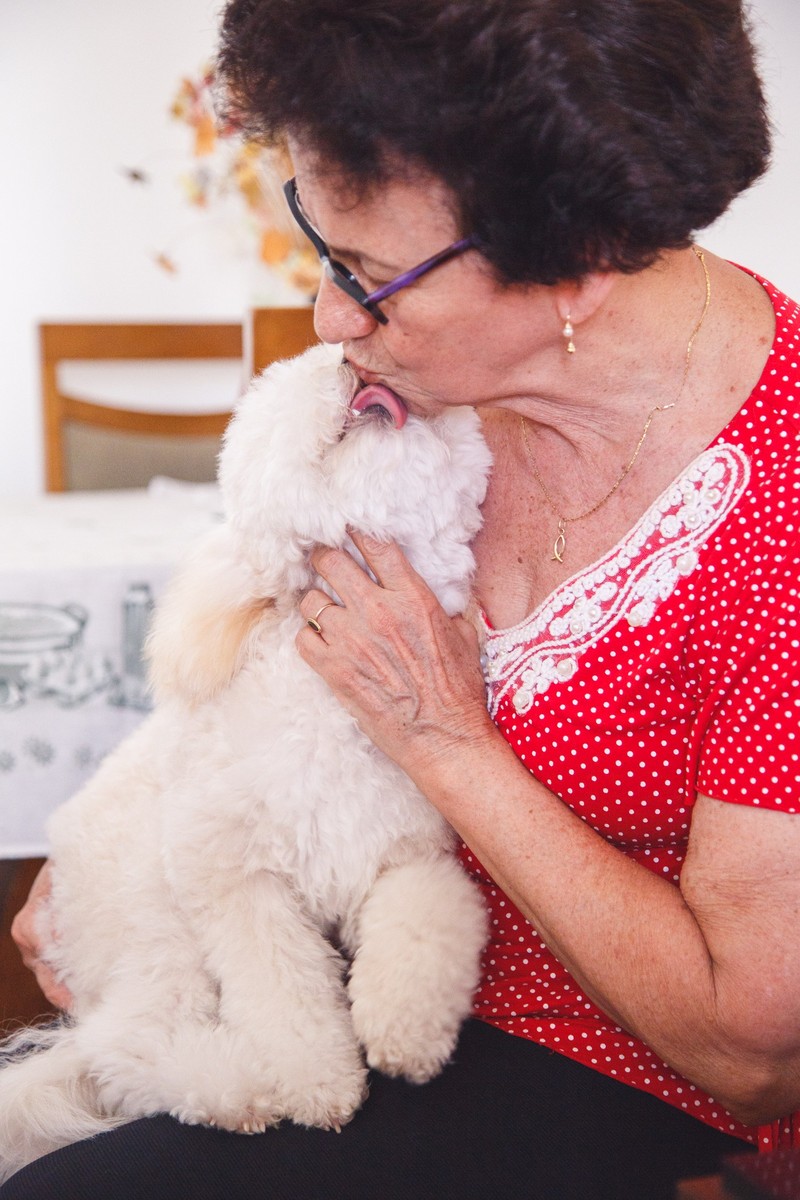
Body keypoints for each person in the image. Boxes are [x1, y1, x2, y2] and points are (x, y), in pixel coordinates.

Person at [6, 0, 800, 1196]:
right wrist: (137, 831)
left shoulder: (776, 526)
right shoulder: (410, 382)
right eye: (319, 250)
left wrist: (443, 743)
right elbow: (262, 620)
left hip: (599, 1057)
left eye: (366, 275)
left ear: (577, 259)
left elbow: (749, 1052)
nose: (330, 319)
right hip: (324, 944)